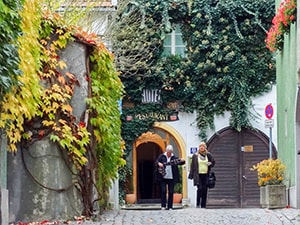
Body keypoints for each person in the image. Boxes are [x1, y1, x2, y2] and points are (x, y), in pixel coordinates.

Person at [155, 144, 185, 210]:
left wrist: (182, 160)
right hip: (163, 176)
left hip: (171, 177)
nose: (169, 153)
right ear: (166, 151)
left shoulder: (174, 157)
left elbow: (180, 162)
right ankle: (163, 205)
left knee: (171, 192)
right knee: (163, 191)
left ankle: (170, 206)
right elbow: (156, 161)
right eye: (168, 152)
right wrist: (158, 163)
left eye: (170, 152)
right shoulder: (162, 156)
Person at [188, 141, 215, 208]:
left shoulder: (208, 155)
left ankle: (203, 205)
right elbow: (192, 165)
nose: (201, 148)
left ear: (205, 147)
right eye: (200, 146)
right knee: (200, 188)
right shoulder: (195, 155)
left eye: (203, 146)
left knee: (205, 189)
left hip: (206, 175)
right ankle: (198, 203)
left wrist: (210, 163)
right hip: (198, 175)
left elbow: (213, 162)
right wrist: (191, 175)